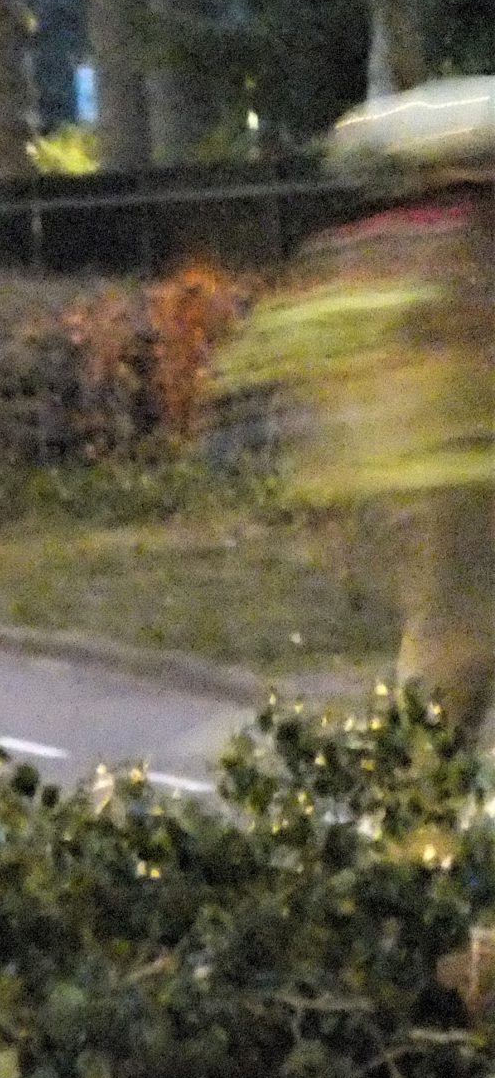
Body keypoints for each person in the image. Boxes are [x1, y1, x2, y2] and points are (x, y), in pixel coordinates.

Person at [218, 77, 495, 743]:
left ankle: (419, 804)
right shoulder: (463, 248)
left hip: (405, 489)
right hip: (457, 489)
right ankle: (417, 818)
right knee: (452, 648)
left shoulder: (353, 252)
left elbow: (270, 364)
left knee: (448, 647)